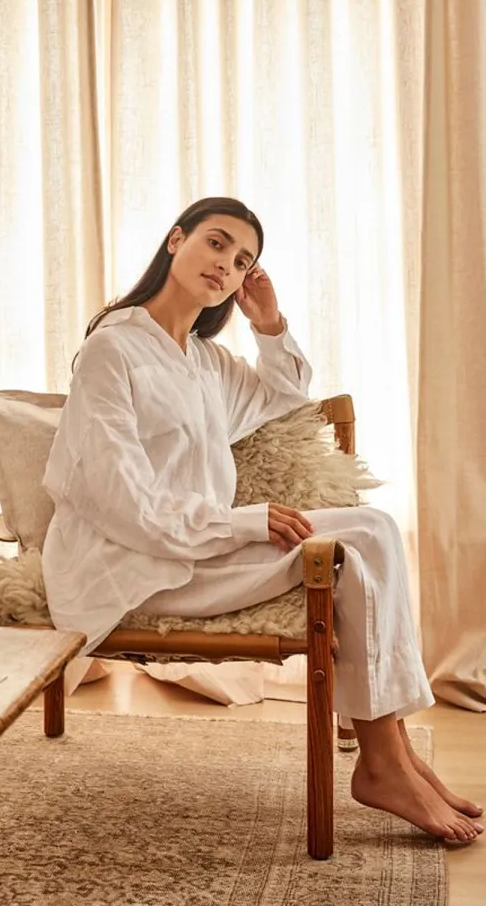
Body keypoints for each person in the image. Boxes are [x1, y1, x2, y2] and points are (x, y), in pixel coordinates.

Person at [42, 196, 483, 843]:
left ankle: (392, 755)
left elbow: (283, 393)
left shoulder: (201, 359)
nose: (227, 264)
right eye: (217, 243)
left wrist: (269, 323)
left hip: (192, 550)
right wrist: (245, 523)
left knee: (374, 529)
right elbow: (124, 504)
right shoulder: (113, 350)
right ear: (176, 240)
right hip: (131, 567)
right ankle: (386, 761)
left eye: (243, 259)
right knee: (357, 545)